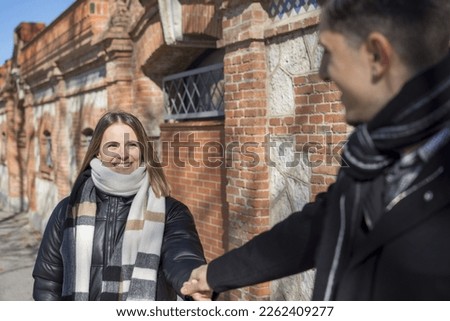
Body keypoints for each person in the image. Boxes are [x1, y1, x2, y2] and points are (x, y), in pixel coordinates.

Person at [181, 0, 450, 300]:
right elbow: (315, 229)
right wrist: (215, 274)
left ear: (377, 55)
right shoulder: (373, 157)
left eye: (328, 52)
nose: (322, 72)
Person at [32, 111, 206, 300]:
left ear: (143, 151)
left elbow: (182, 256)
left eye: (131, 145)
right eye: (112, 145)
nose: (122, 154)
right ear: (98, 151)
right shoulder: (67, 210)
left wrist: (193, 280)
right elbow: (47, 282)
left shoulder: (171, 212)